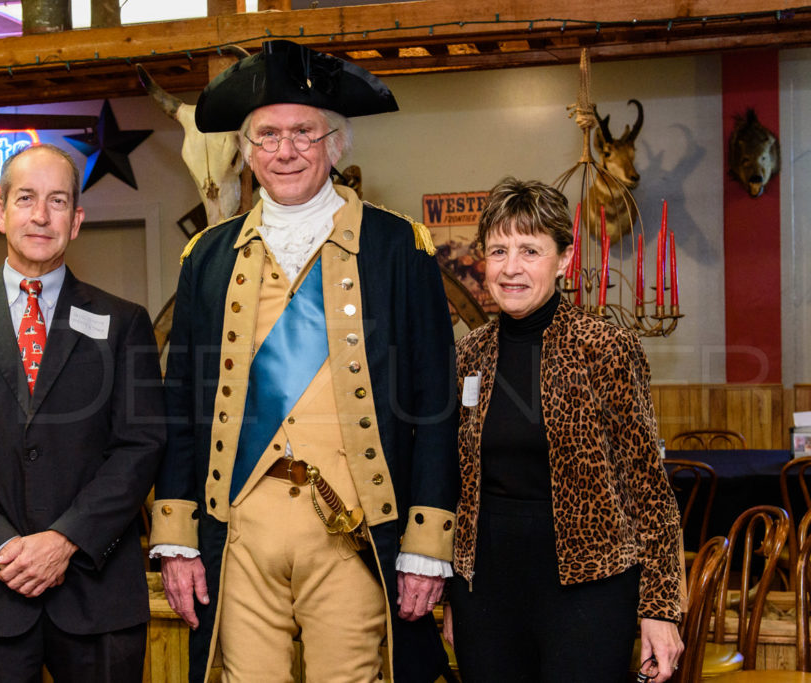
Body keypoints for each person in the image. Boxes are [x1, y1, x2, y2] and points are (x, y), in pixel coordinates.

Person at [149, 39, 459, 682]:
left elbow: (434, 400)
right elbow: (179, 406)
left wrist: (427, 544)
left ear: (336, 145)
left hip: (351, 529)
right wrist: (176, 536)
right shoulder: (207, 256)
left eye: (303, 133)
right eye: (266, 135)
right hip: (239, 531)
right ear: (245, 149)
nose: (284, 150)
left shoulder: (398, 246)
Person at [0, 143, 165, 682]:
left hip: (98, 597)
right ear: (0, 212)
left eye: (58, 201)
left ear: (77, 222)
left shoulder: (123, 323)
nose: (41, 215)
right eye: (26, 198)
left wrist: (65, 540)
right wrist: (0, 546)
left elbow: (140, 446)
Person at [445, 177, 685, 683]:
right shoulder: (468, 355)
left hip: (586, 591)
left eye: (530, 250)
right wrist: (451, 591)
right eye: (498, 251)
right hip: (484, 592)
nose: (511, 268)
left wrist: (661, 610)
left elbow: (649, 490)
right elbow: (456, 485)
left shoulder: (606, 348)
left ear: (565, 259)